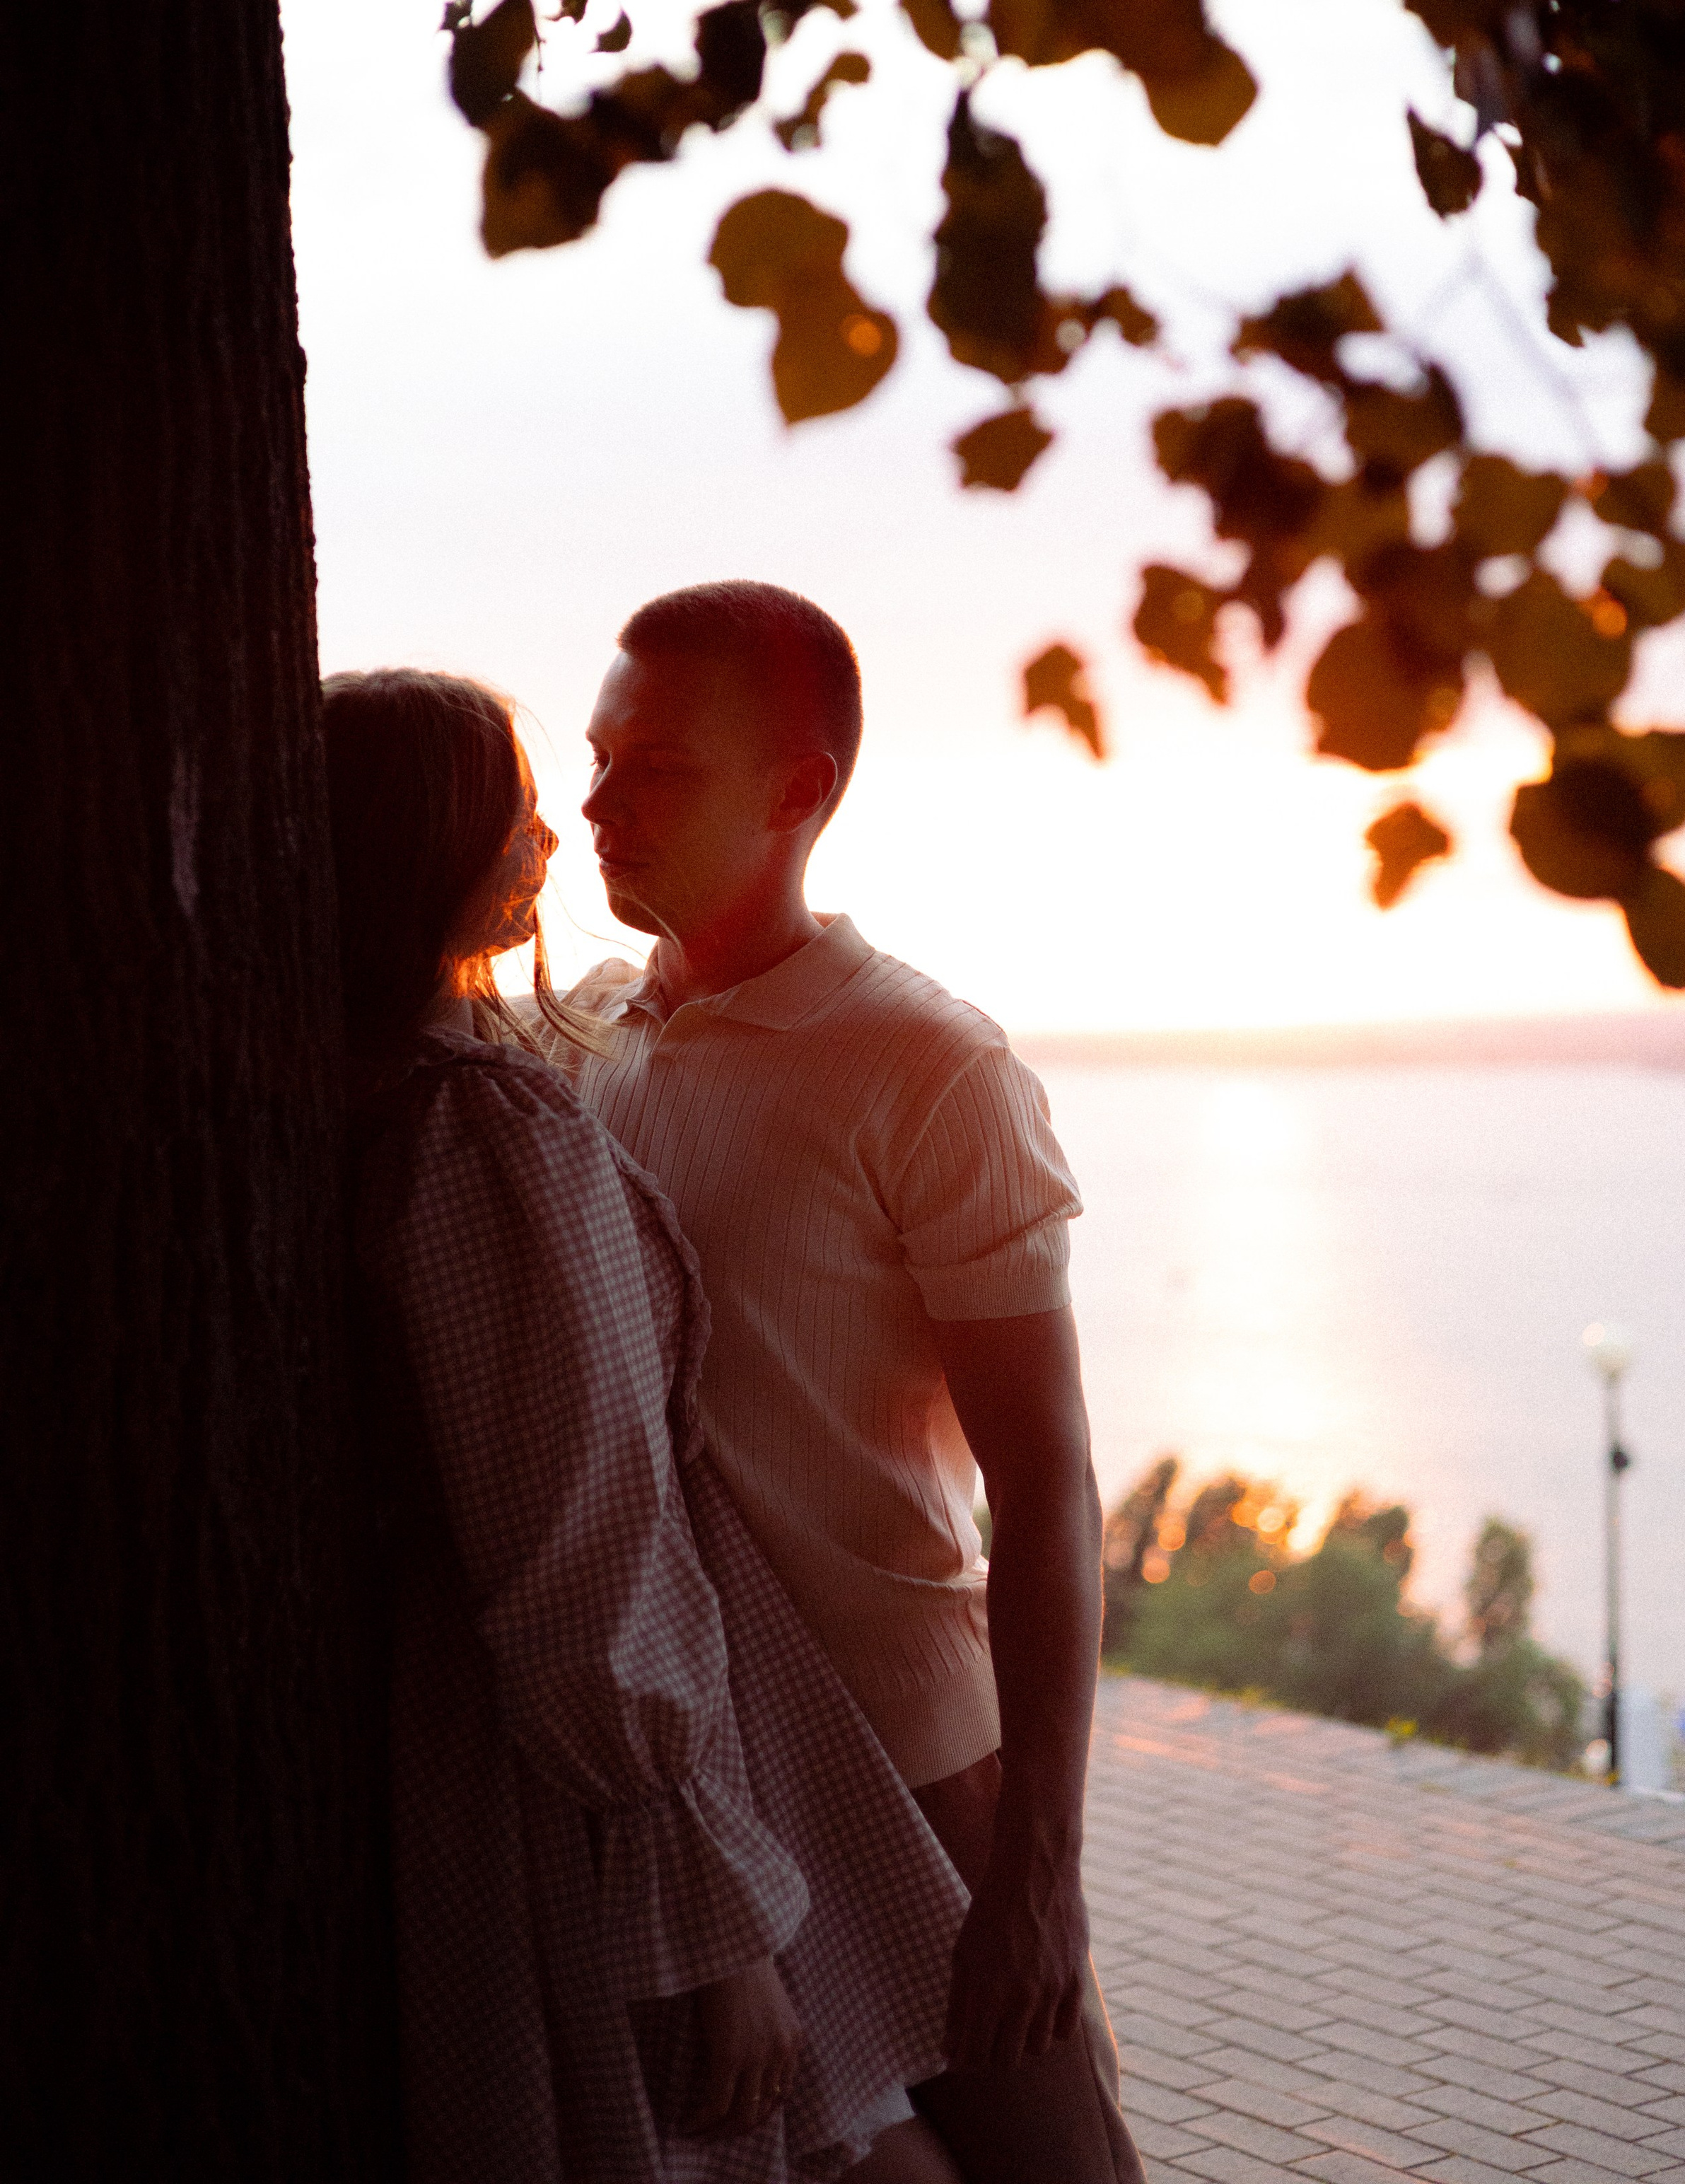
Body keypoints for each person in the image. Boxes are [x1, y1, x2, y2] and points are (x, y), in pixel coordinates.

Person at [322, 666, 967, 2184]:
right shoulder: (484, 1137)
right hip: (581, 1796)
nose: (553, 838)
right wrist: (711, 1923)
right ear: (424, 847)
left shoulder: (401, 1092)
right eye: (515, 811)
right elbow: (580, 1543)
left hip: (520, 1748)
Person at [539, 584, 1145, 2184]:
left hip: (906, 1744)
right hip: (688, 1773)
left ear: (797, 789)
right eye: (598, 760)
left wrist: (1040, 1869)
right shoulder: (576, 1043)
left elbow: (1048, 1484)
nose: (598, 806)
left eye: (657, 768)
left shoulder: (930, 1067)